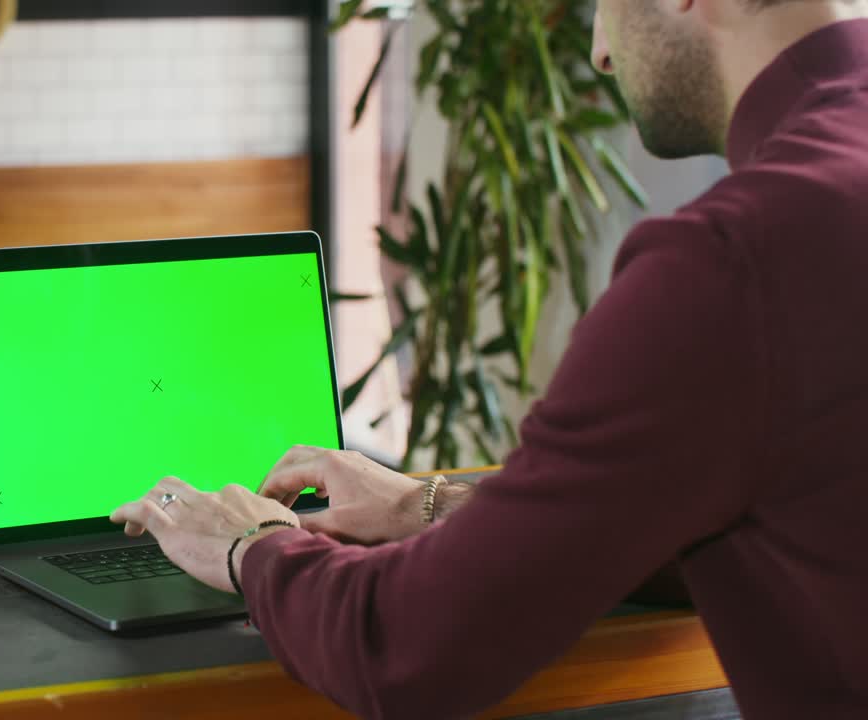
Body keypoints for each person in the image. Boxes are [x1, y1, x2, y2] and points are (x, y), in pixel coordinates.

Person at [110, 1, 868, 717]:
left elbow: (403, 647)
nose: (601, 53)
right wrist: (428, 507)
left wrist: (250, 545)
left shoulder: (728, 264)